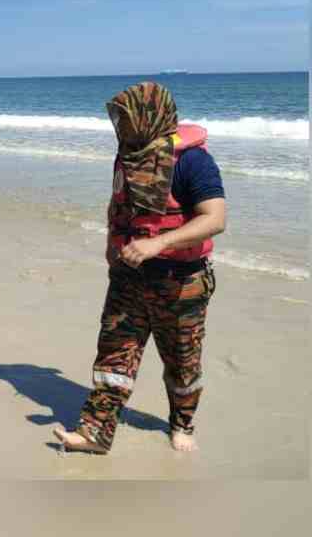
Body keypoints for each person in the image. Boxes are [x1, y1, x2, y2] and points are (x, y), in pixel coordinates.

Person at [53, 81, 225, 454]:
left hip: (181, 283)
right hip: (128, 278)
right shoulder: (128, 155)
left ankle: (182, 424)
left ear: (150, 117)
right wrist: (110, 246)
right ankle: (95, 432)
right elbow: (117, 207)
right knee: (113, 353)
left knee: (182, 362)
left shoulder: (193, 161)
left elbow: (215, 218)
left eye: (127, 117)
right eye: (118, 117)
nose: (120, 125)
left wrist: (159, 243)